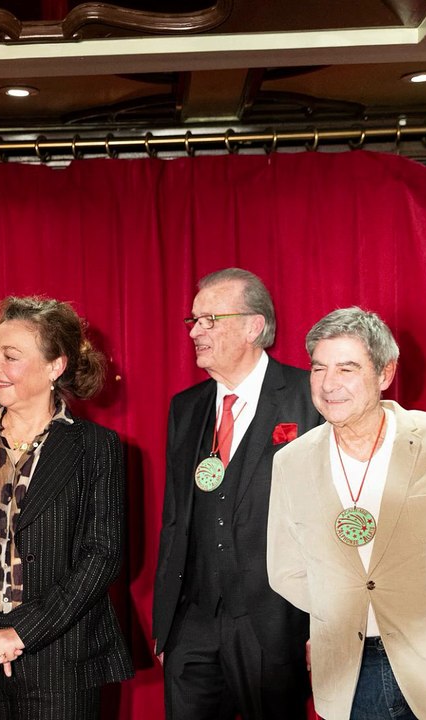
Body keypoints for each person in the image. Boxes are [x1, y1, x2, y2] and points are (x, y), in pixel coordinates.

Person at [266, 307, 426, 720]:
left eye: (346, 368)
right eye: (318, 368)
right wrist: (348, 610)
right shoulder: (291, 461)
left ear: (385, 374)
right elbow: (285, 569)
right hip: (348, 674)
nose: (329, 384)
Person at [0, 296, 132, 720]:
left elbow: (103, 556)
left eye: (11, 357)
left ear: (55, 367)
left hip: (60, 658)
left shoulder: (95, 448)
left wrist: (21, 632)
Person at [153, 268, 320, 720]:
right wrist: (165, 626)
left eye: (210, 319)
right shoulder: (185, 408)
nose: (196, 332)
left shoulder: (309, 396)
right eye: (193, 321)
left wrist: (321, 626)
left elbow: (328, 519)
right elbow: (175, 519)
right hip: (193, 622)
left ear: (254, 326)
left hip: (274, 621)